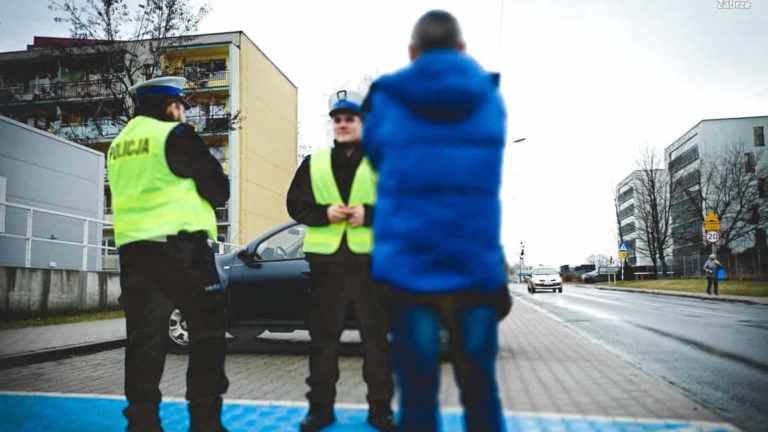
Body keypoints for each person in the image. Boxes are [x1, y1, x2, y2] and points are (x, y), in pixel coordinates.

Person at [361, 10, 507, 432]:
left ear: (412, 52)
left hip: (410, 268)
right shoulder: (488, 96)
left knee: (418, 391)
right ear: (462, 49)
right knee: (480, 387)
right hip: (474, 266)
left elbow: (375, 155)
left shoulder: (389, 97)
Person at [107, 76, 230, 432]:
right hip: (182, 251)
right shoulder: (174, 135)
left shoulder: (119, 145)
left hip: (134, 253)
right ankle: (205, 422)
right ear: (169, 106)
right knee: (208, 334)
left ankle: (142, 423)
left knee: (144, 341)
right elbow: (218, 190)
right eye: (182, 106)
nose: (183, 113)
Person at [286, 90, 397, 432]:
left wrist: (370, 213)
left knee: (376, 342)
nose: (343, 124)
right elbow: (295, 206)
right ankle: (320, 411)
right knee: (323, 341)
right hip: (327, 267)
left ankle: (380, 412)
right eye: (337, 120)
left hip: (370, 265)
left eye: (350, 119)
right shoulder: (314, 163)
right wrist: (325, 213)